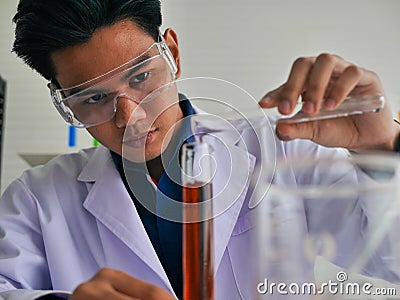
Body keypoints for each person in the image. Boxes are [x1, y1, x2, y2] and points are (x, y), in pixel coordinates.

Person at [1, 0, 399, 299]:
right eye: (92, 99)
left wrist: (382, 149)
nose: (130, 116)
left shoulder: (281, 152)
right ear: (65, 101)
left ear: (171, 52)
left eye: (140, 77)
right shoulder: (37, 199)